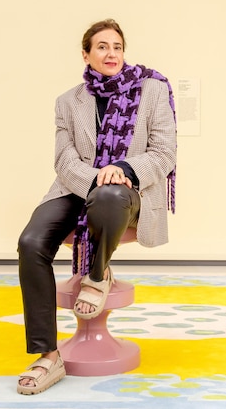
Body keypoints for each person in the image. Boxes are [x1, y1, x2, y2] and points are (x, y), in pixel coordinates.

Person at [16, 19, 177, 395]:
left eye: (117, 46)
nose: (111, 54)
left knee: (108, 196)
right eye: (102, 47)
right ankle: (47, 355)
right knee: (30, 243)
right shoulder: (67, 102)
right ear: (86, 54)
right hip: (74, 188)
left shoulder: (152, 92)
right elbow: (64, 160)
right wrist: (97, 177)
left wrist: (120, 171)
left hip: (130, 191)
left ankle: (98, 273)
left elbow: (164, 153)